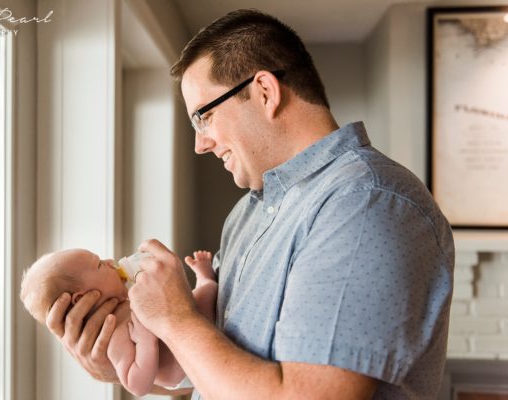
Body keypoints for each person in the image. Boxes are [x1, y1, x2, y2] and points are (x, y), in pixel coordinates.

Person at [46, 9, 455, 399]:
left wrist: (175, 317)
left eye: (202, 117)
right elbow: (213, 374)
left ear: (264, 91)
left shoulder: (364, 205)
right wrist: (116, 364)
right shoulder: (247, 216)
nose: (199, 143)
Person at [20, 248, 215, 396]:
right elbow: (137, 385)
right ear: (82, 299)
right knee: (207, 293)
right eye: (98, 265)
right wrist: (145, 342)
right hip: (188, 368)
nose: (110, 261)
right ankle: (206, 281)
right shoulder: (113, 333)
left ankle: (204, 278)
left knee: (202, 295)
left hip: (202, 340)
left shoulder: (129, 302)